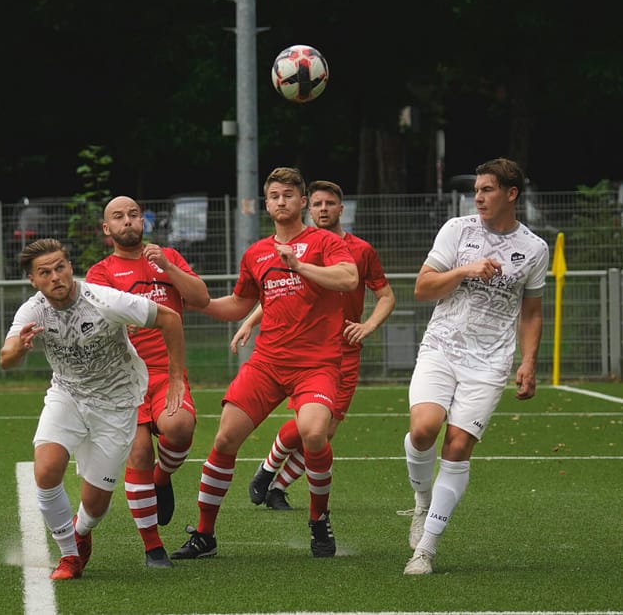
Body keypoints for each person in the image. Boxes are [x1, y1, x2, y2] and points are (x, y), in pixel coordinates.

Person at [170, 167, 358, 561]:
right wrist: (195, 302)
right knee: (224, 439)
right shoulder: (256, 252)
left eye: (289, 194)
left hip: (317, 364)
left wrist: (299, 266)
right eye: (274, 196)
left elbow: (348, 278)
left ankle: (318, 518)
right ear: (267, 204)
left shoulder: (323, 241)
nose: (281, 201)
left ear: (302, 201)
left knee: (313, 433)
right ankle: (205, 534)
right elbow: (239, 303)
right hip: (268, 362)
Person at [0, 238, 185, 580]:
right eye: (45, 272)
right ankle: (69, 555)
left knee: (95, 506)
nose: (56, 276)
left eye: (60, 267)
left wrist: (176, 378)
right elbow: (6, 358)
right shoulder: (33, 310)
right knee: (46, 469)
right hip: (67, 396)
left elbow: (170, 319)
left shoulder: (104, 300)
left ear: (70, 267)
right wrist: (20, 349)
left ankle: (81, 532)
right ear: (33, 280)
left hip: (116, 406)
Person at [402, 158, 548, 575]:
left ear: (511, 194)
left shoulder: (534, 248)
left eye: (487, 190)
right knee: (424, 429)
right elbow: (422, 287)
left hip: (489, 363)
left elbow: (533, 312)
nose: (478, 197)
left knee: (458, 446)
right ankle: (422, 502)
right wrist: (466, 269)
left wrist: (529, 362)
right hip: (441, 348)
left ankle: (426, 548)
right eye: (477, 190)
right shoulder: (457, 230)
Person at [233, 180, 396, 510]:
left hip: (345, 350)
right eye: (318, 204)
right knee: (313, 426)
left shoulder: (360, 250)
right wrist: (250, 320)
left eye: (330, 204)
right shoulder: (305, 248)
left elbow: (386, 296)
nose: (323, 209)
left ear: (341, 208)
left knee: (325, 430)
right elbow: (283, 291)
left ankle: (276, 484)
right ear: (309, 208)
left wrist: (368, 325)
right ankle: (268, 471)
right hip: (309, 351)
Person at [85, 195, 209, 568]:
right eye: (119, 217)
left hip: (167, 373)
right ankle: (153, 547)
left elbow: (201, 298)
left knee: (180, 427)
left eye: (134, 215)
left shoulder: (167, 257)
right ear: (108, 229)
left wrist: (168, 268)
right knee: (138, 452)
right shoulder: (101, 272)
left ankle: (162, 476)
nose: (128, 222)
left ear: (144, 221)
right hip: (123, 379)